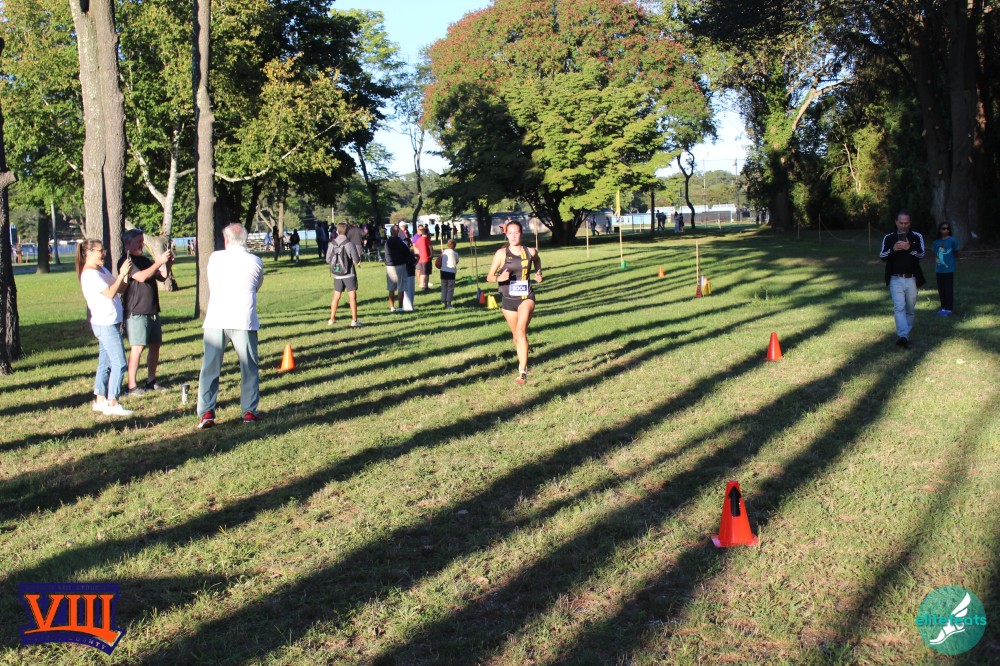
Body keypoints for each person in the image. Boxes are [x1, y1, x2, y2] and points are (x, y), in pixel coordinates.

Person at [196, 223, 265, 428]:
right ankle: (249, 411)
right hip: (244, 320)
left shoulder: (215, 258)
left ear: (226, 240)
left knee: (210, 367)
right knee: (249, 367)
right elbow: (257, 286)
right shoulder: (256, 261)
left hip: (217, 319)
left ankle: (206, 411)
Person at [77, 240, 133, 416]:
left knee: (106, 362)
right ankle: (112, 402)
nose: (104, 253)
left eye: (104, 250)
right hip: (105, 323)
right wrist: (121, 274)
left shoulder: (101, 270)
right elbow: (109, 293)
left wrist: (125, 275)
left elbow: (120, 289)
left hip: (111, 321)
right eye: (100, 251)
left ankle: (100, 399)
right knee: (120, 363)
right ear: (89, 253)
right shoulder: (90, 275)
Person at [486, 221, 543, 384]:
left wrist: (538, 272)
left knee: (521, 331)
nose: (513, 236)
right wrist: (499, 278)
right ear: (506, 234)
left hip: (526, 297)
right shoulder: (501, 253)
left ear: (521, 234)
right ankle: (521, 359)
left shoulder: (530, 251)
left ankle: (522, 372)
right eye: (510, 233)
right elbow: (489, 277)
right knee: (516, 336)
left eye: (516, 233)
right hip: (508, 300)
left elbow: (537, 260)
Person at [117, 229, 172, 396]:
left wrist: (168, 264)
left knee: (155, 345)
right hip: (136, 311)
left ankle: (151, 381)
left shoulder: (145, 260)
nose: (142, 244)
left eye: (142, 241)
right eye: (139, 241)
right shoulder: (126, 261)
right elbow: (141, 277)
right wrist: (158, 261)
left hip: (152, 310)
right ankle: (132, 386)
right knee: (137, 348)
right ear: (128, 243)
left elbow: (162, 277)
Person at [879, 210, 925, 348]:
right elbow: (882, 256)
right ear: (896, 222)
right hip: (895, 279)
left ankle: (905, 335)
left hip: (912, 278)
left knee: (910, 309)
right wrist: (893, 249)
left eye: (906, 223)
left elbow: (921, 254)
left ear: (910, 223)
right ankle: (903, 336)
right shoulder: (889, 238)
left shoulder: (916, 236)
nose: (903, 226)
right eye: (901, 223)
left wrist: (910, 248)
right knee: (899, 307)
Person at [326, 222, 364, 327]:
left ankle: (332, 318)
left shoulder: (332, 243)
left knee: (336, 296)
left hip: (337, 274)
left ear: (337, 231)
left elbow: (327, 259)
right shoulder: (349, 244)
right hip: (349, 273)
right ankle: (354, 320)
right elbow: (356, 260)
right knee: (352, 297)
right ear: (347, 231)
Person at [932, 222, 958, 315]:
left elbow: (955, 251)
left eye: (948, 228)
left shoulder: (952, 240)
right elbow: (935, 253)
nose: (946, 230)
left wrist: (950, 261)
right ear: (939, 230)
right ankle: (943, 307)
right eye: (943, 228)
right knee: (941, 289)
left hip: (948, 269)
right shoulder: (936, 242)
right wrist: (937, 261)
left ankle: (949, 308)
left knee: (948, 288)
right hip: (939, 269)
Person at [384, 225, 409, 313]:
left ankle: (392, 307)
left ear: (390, 232)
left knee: (391, 288)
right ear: (397, 232)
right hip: (400, 265)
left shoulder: (387, 243)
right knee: (400, 287)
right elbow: (407, 253)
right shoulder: (401, 242)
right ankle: (400, 307)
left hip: (390, 265)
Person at [439, 239, 459, 308]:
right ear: (454, 246)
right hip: (451, 272)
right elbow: (456, 261)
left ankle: (444, 302)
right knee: (450, 288)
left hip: (443, 271)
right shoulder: (455, 253)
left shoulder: (444, 252)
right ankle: (449, 303)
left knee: (444, 287)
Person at [413, 224, 433, 290]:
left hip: (420, 259)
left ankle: (421, 285)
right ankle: (425, 286)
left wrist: (418, 255)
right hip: (426, 258)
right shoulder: (427, 239)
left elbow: (416, 248)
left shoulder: (418, 239)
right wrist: (431, 255)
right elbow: (430, 248)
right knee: (426, 273)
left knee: (422, 273)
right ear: (427, 233)